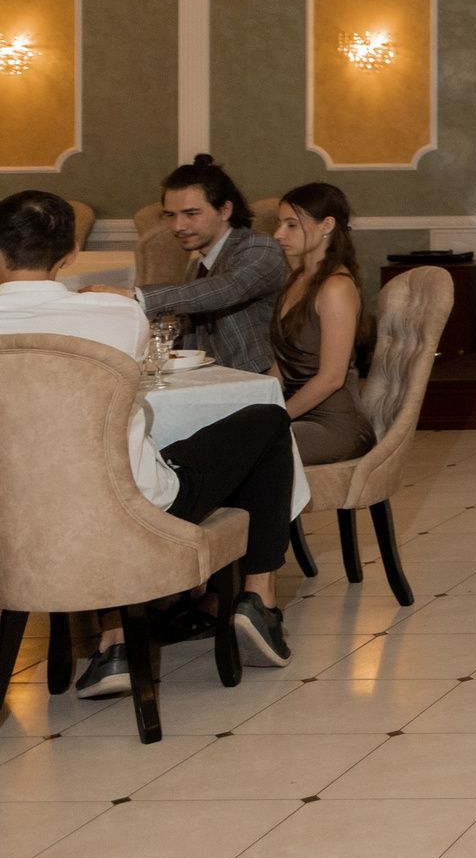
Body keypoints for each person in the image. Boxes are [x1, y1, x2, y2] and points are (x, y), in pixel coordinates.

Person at [0, 190, 295, 697]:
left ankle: (115, 643)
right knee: (266, 420)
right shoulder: (114, 317)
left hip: (16, 517)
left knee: (91, 471)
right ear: (70, 252)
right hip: (131, 510)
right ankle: (257, 599)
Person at [132, 155, 290, 374]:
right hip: (211, 381)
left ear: (225, 210)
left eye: (191, 214)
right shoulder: (196, 266)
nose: (178, 226)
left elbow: (228, 288)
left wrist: (137, 298)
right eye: (170, 215)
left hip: (257, 381)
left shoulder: (259, 246)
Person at [271, 182, 374, 467]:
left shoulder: (336, 287)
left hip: (335, 427)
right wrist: (255, 407)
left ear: (326, 225)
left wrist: (275, 417)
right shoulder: (296, 280)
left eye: (291, 225)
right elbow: (281, 366)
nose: (278, 234)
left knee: (241, 450)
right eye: (280, 224)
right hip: (298, 416)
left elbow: (331, 379)